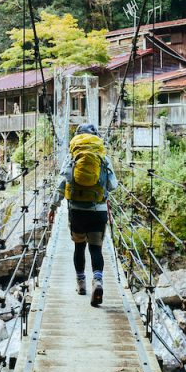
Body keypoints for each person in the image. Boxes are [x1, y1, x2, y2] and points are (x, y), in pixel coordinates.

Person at [48, 122, 117, 307]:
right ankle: (98, 281)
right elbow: (112, 185)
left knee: (79, 247)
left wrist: (53, 207)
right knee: (95, 249)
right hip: (98, 211)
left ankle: (81, 285)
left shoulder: (72, 156)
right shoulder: (103, 157)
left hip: (76, 212)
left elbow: (63, 183)